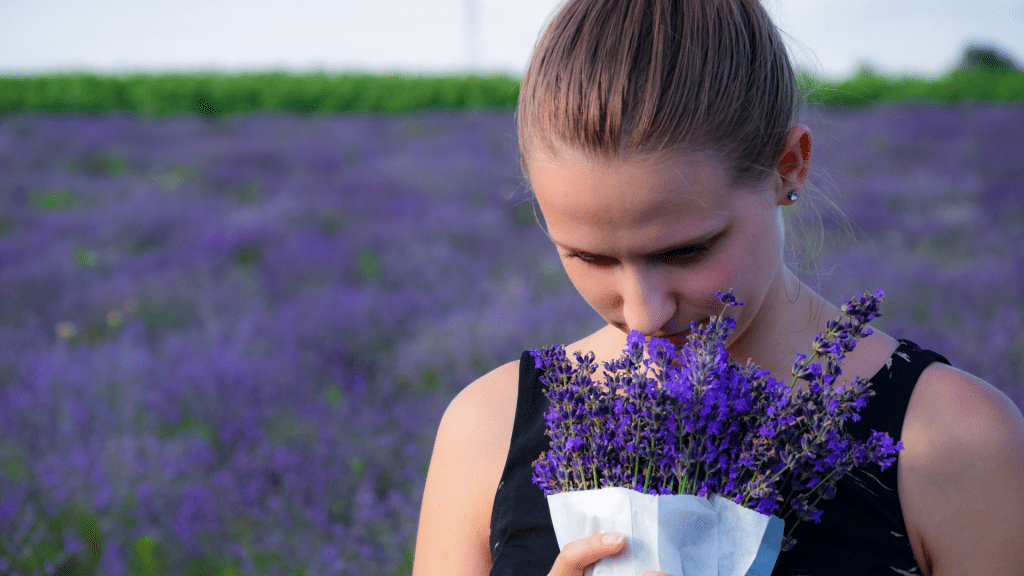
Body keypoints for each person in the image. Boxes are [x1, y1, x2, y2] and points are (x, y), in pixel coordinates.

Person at [411, 0, 1024, 574]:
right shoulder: (485, 431)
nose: (646, 315)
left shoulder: (956, 442)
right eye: (590, 258)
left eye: (684, 251)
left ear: (789, 168)